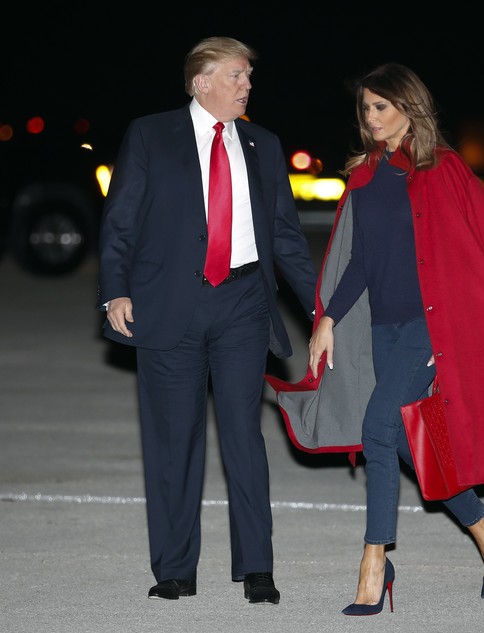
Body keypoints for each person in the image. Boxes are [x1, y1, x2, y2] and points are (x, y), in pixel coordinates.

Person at [279, 63, 484, 615]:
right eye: (366, 109)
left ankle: (375, 562)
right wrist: (329, 318)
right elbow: (359, 259)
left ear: (410, 106)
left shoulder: (443, 169)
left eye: (381, 106)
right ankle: (482, 525)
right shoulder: (365, 173)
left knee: (378, 425)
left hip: (431, 326)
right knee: (404, 438)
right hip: (382, 327)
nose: (371, 118)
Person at [97, 36, 317, 604]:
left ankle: (258, 568)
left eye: (248, 77)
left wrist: (323, 310)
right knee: (174, 440)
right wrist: (115, 292)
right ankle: (174, 569)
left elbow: (286, 238)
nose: (247, 86)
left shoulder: (263, 143)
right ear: (201, 81)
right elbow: (119, 220)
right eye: (237, 76)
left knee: (245, 436)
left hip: (243, 302)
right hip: (170, 303)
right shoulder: (150, 135)